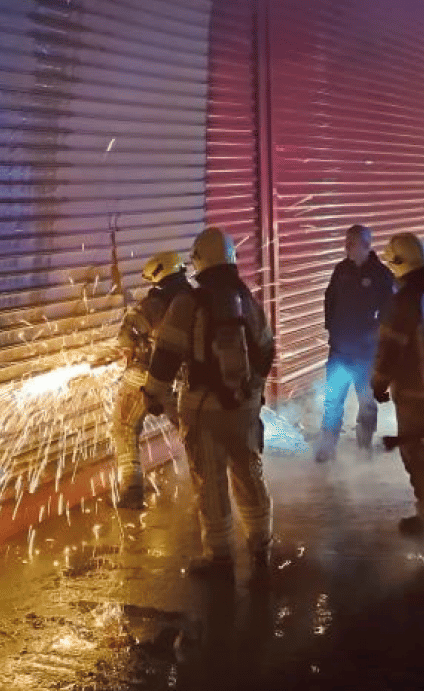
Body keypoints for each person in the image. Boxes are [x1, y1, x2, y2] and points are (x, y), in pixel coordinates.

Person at [143, 227, 276, 583]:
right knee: (249, 473)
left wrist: (152, 393)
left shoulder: (188, 302)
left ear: (199, 260)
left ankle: (219, 557)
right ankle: (261, 545)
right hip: (244, 409)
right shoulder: (246, 298)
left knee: (211, 483)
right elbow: (266, 350)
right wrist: (252, 392)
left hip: (202, 410)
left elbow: (166, 355)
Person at [372, 232, 424, 536]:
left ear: (398, 264)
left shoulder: (403, 303)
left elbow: (389, 350)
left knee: (420, 459)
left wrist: (378, 384)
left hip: (417, 397)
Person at [111, 251, 191, 509]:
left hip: (144, 376)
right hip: (180, 382)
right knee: (193, 436)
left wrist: (126, 350)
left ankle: (131, 492)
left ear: (158, 274)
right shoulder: (193, 301)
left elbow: (126, 337)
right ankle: (208, 488)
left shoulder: (152, 305)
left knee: (125, 429)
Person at [316, 225, 394, 462]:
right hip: (340, 350)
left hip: (366, 353)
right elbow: (330, 299)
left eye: (351, 242)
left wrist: (377, 338)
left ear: (366, 245)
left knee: (367, 402)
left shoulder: (381, 274)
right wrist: (332, 328)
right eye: (346, 242)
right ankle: (327, 448)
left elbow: (390, 312)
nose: (346, 247)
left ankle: (363, 448)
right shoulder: (341, 270)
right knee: (333, 400)